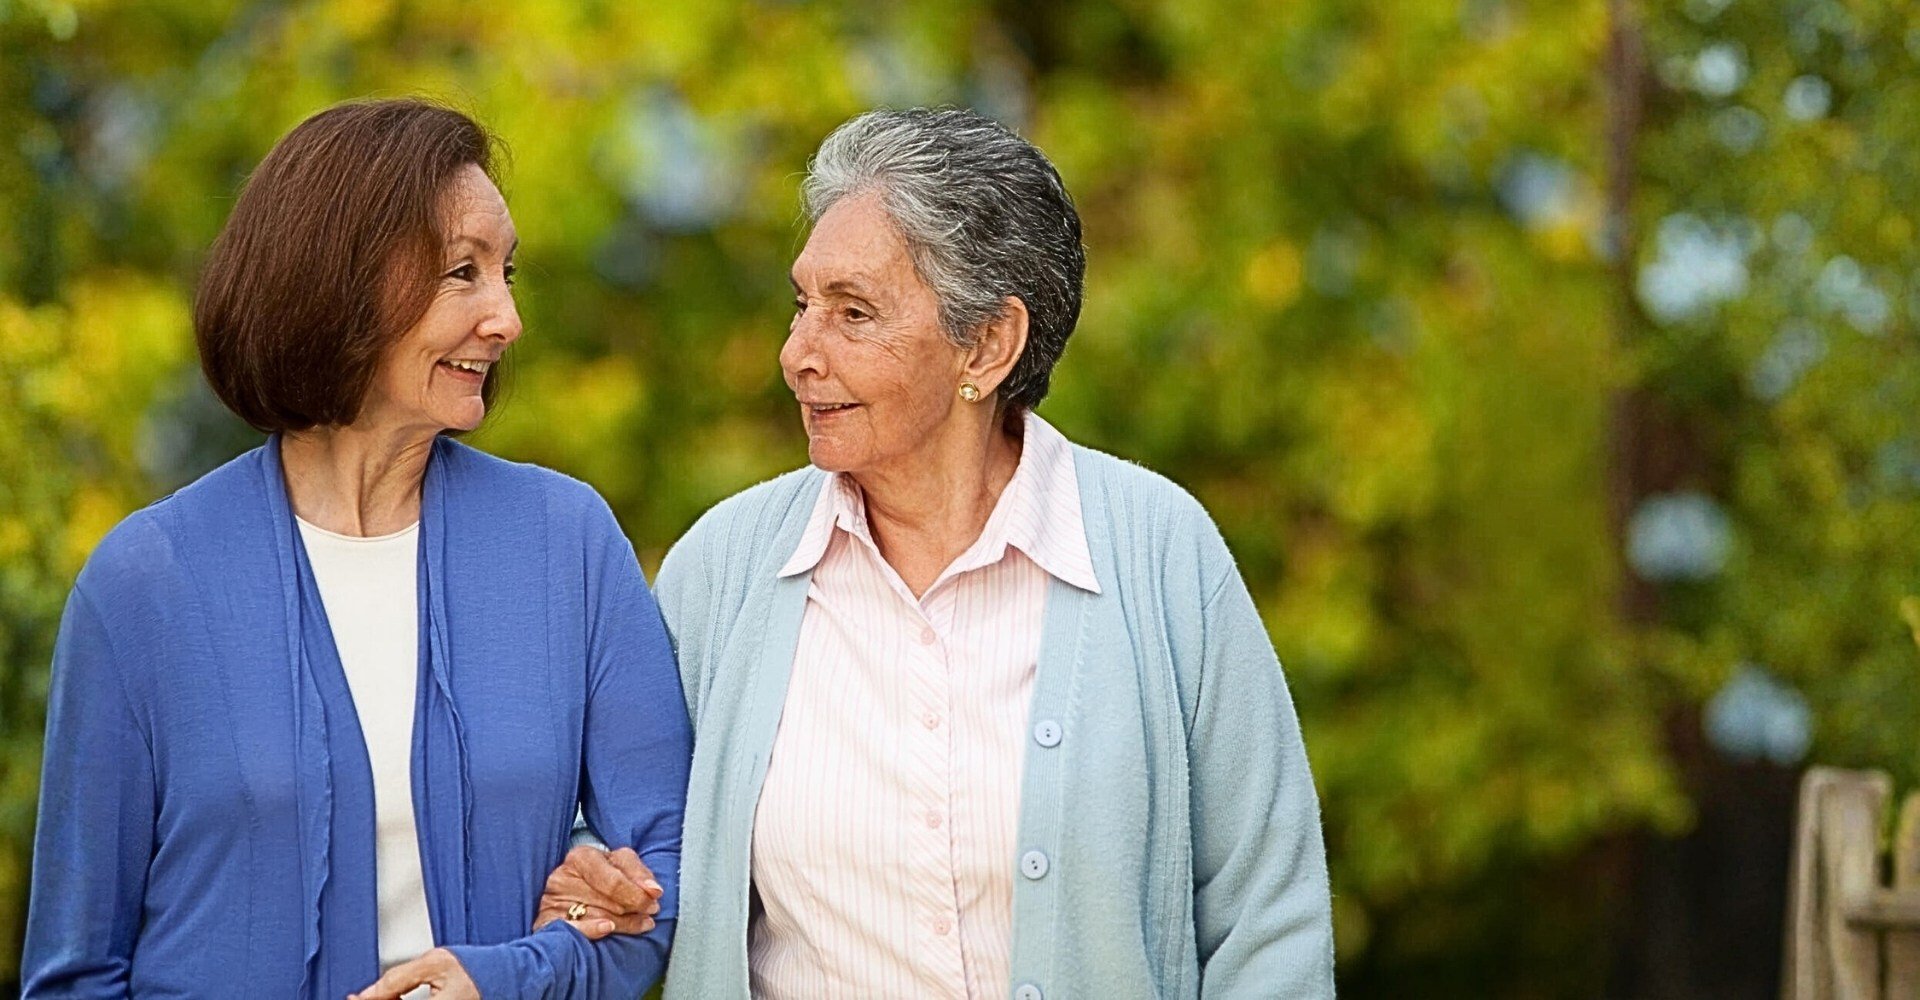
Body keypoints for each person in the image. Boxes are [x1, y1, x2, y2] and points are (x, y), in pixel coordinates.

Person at [557, 107, 1336, 999]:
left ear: (988, 343)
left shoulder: (1161, 554)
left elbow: (1269, 926)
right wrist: (594, 883)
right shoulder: (723, 570)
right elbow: (620, 835)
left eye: (852, 314)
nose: (797, 354)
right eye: (802, 304)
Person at [22, 98, 690, 1000]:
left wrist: (518, 974)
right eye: (463, 272)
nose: (507, 319)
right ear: (337, 281)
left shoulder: (566, 544)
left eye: (507, 273)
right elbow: (75, 972)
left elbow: (668, 866)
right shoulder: (144, 585)